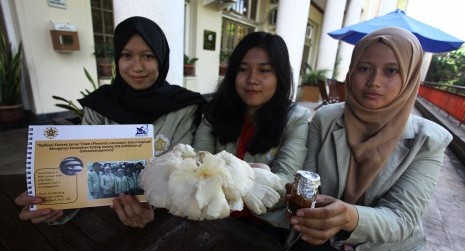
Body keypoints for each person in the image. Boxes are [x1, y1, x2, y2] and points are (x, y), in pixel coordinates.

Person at [286, 27, 453, 251]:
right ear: (351, 73)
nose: (374, 81)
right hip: (316, 237)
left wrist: (349, 217)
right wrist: (299, 198)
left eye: (391, 71)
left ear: (409, 77)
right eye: (364, 68)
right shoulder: (325, 118)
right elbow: (310, 180)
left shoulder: (427, 140)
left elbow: (402, 219)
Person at [15, 16, 206, 227]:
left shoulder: (184, 107)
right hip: (101, 224)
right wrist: (54, 204)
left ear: (162, 58)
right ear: (117, 59)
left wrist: (154, 212)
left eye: (148, 55)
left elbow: (186, 174)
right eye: (126, 55)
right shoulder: (100, 105)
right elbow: (81, 168)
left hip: (165, 226)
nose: (137, 66)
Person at [193, 31, 310, 236]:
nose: (251, 79)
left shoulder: (296, 119)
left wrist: (224, 177)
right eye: (243, 69)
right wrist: (252, 178)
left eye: (264, 70)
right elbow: (198, 165)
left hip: (264, 227)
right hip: (210, 216)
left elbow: (285, 183)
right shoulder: (215, 111)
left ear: (280, 76)